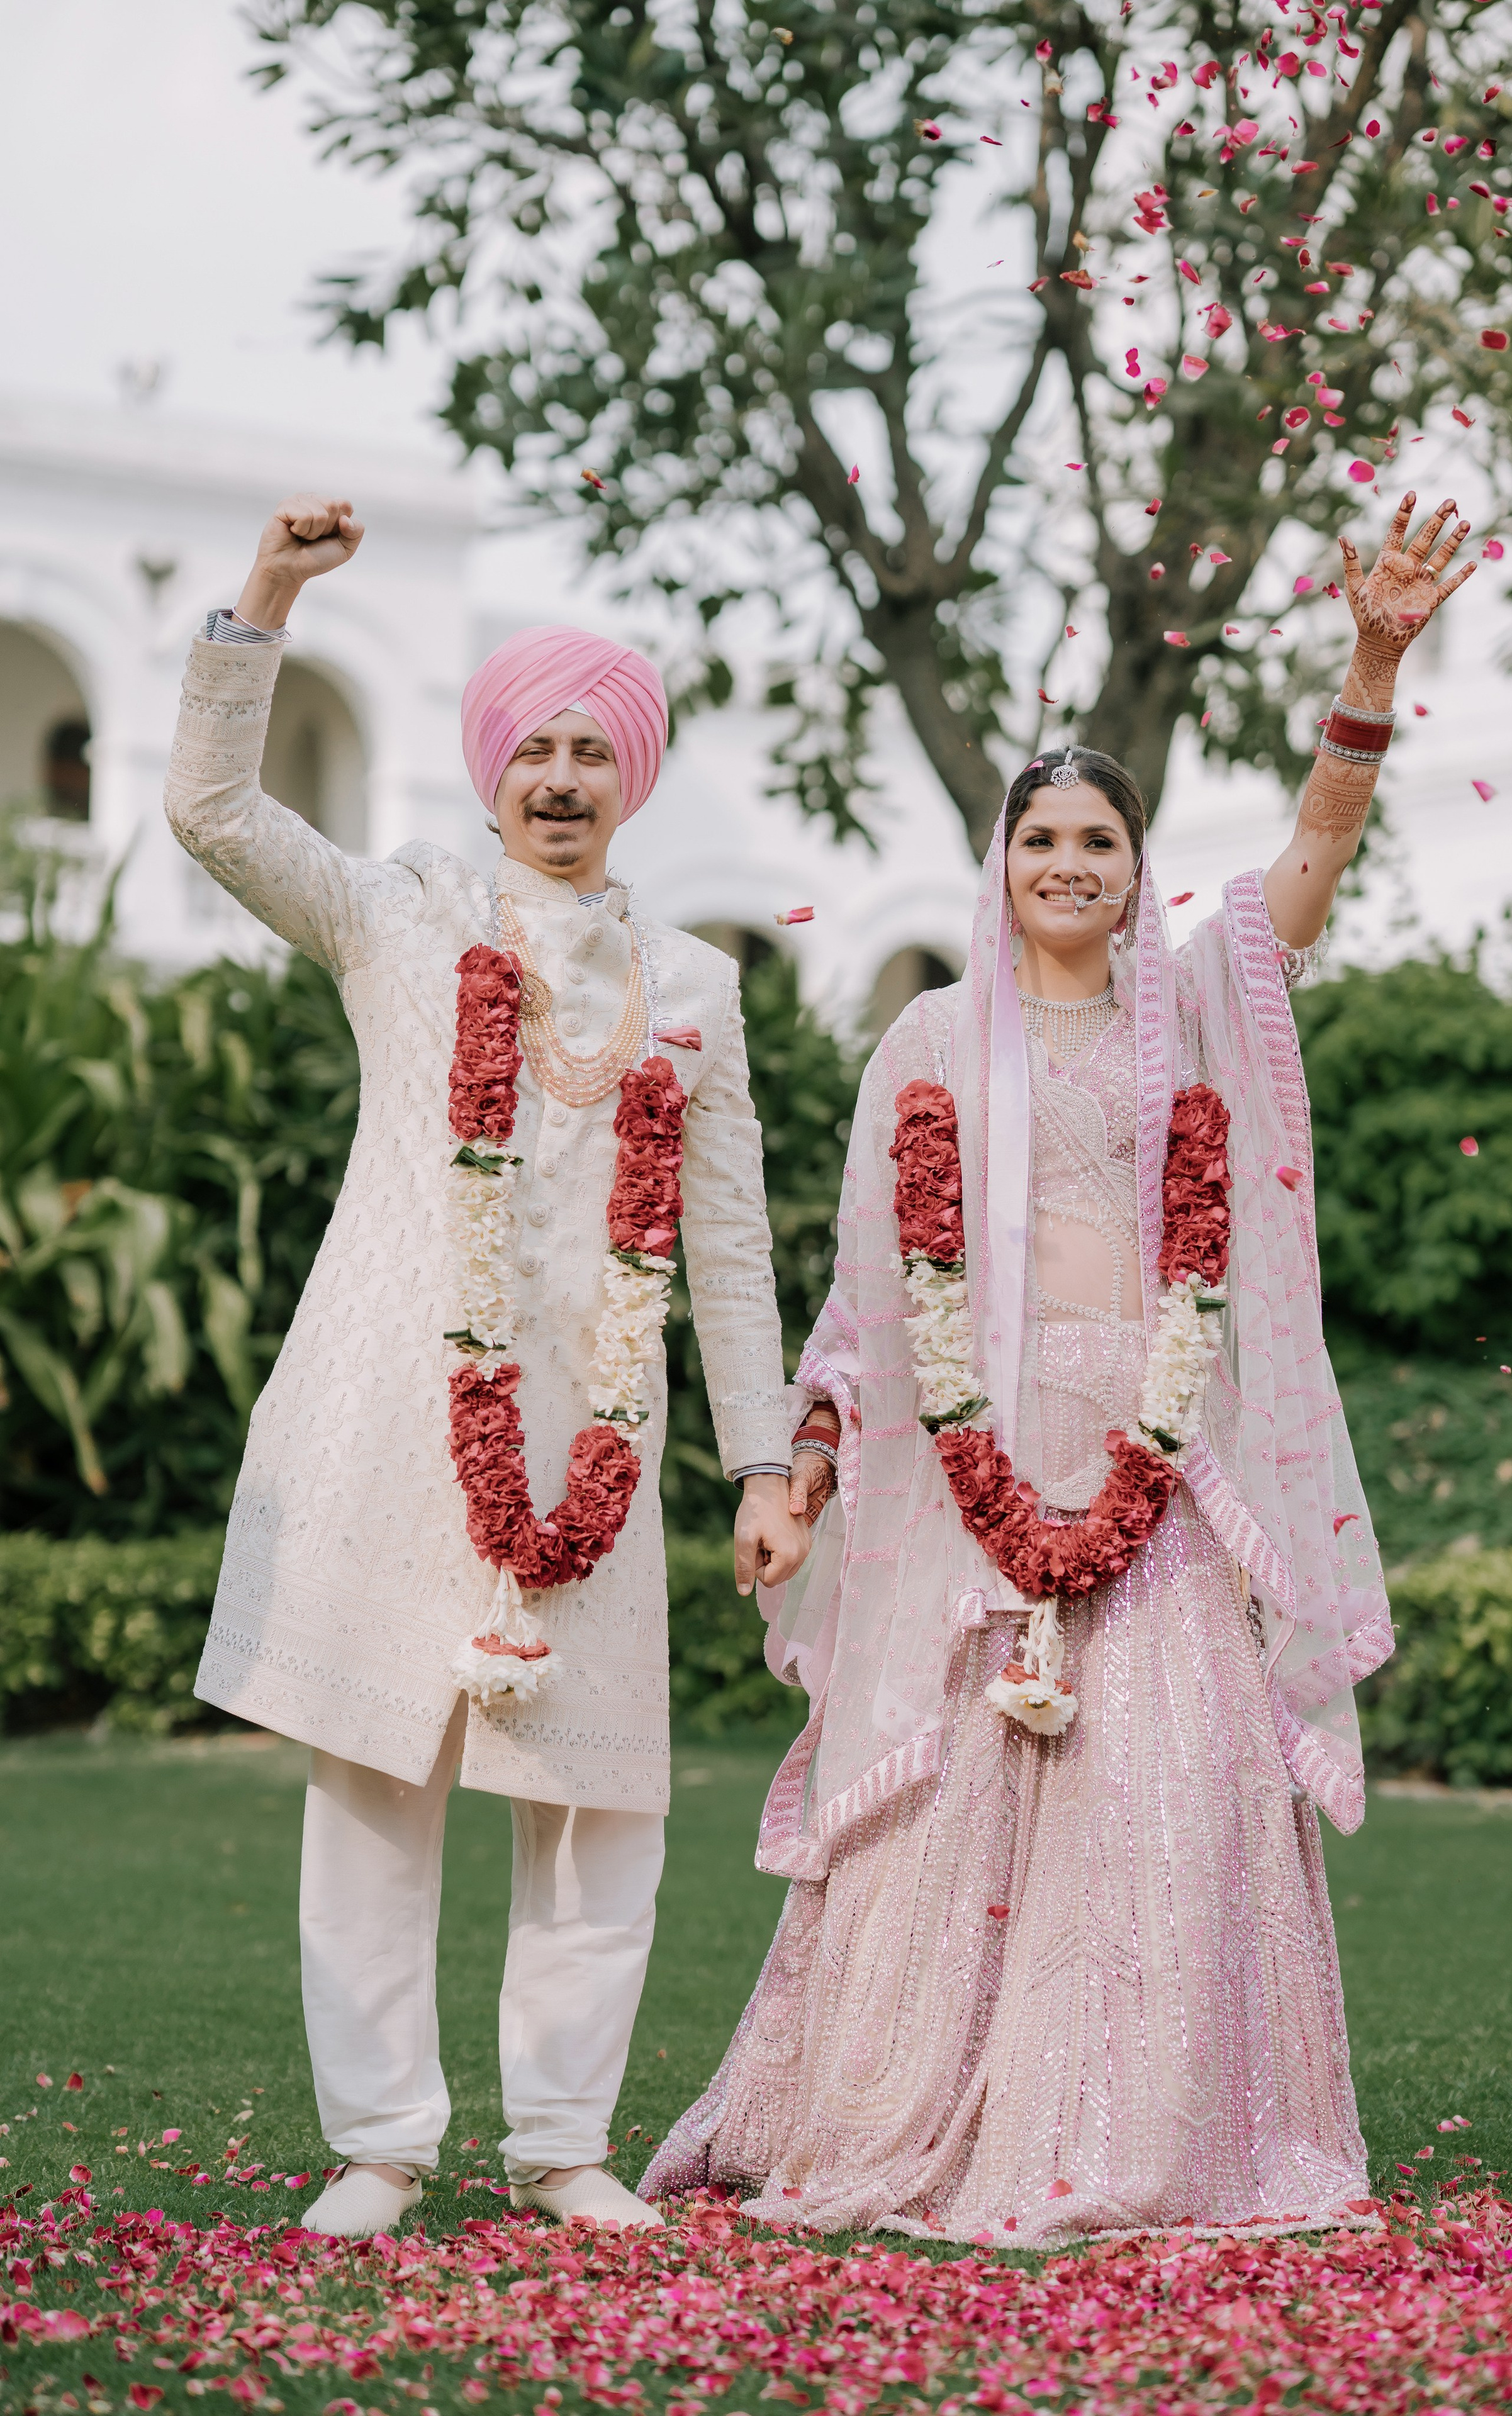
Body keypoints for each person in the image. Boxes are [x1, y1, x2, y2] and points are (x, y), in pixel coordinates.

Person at [645, 494, 1476, 2242]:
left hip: (1157, 1450)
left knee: (1177, 1781)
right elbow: (870, 1297)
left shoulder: (1191, 1007)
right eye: (1045, 842)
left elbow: (1311, 869)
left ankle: (1163, 2133)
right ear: (1001, 866)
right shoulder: (934, 1040)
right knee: (948, 1790)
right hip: (972, 1459)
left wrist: (1372, 669)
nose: (1073, 867)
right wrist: (802, 1472)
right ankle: (916, 2114)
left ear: (1135, 860)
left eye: (1103, 839)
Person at [165, 494, 810, 2239]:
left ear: (637, 780)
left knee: (598, 1804)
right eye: (533, 744)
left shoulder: (695, 985)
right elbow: (214, 811)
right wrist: (265, 600)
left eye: (595, 747)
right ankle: (378, 2147)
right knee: (378, 1787)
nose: (562, 774)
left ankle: (563, 2149)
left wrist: (763, 1461)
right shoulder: (405, 924)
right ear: (489, 770)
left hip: (593, 1437)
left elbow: (731, 1246)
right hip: (400, 1416)